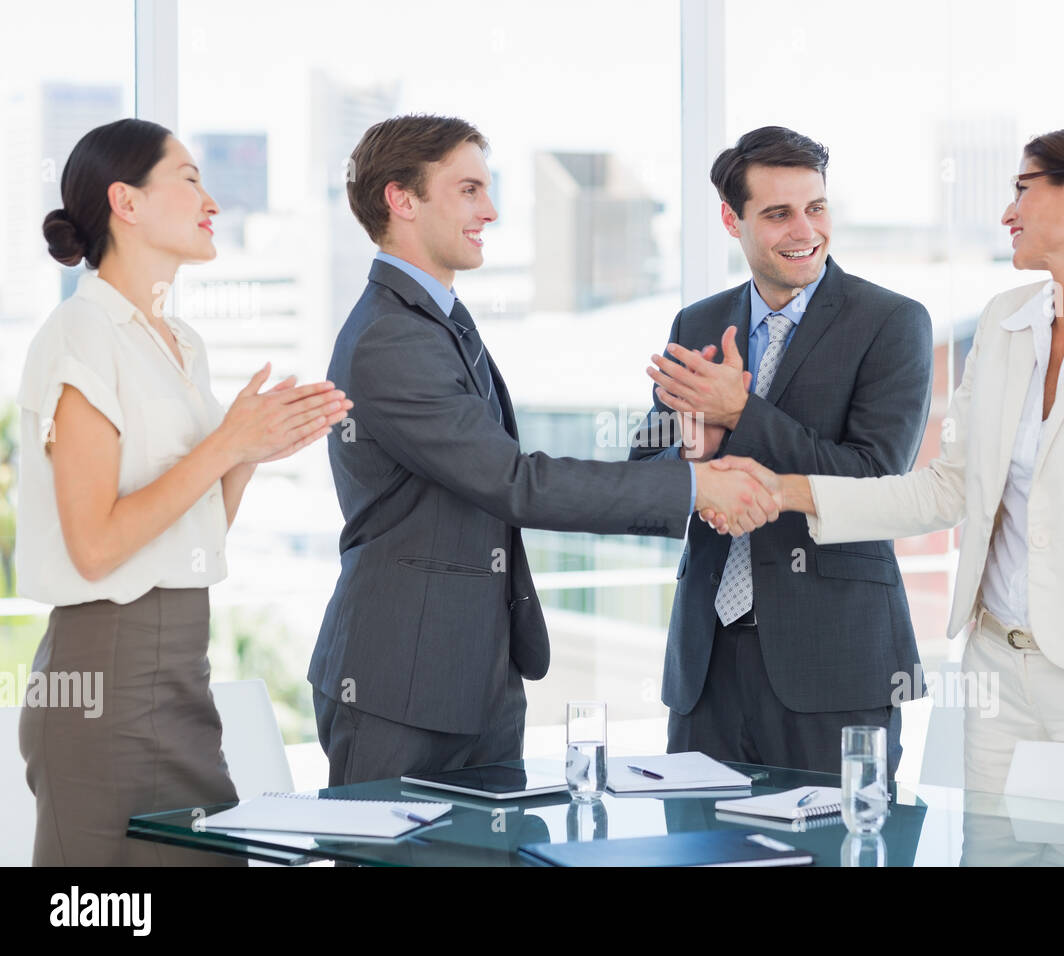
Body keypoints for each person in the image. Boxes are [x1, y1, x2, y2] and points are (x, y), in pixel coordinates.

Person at [714, 123, 1064, 802]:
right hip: (993, 674)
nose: (1008, 212)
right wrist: (781, 491)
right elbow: (945, 489)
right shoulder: (1005, 320)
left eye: (1022, 189)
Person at [309, 114, 779, 787]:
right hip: (401, 683)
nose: (491, 211)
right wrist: (696, 489)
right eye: (470, 190)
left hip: (469, 675)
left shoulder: (430, 319)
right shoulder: (392, 338)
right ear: (401, 199)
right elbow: (514, 482)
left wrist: (685, 456)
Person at [15, 118, 351, 865]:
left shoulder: (180, 343)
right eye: (191, 178)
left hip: (181, 680)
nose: (213, 201)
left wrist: (251, 452)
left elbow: (196, 538)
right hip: (100, 682)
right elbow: (97, 547)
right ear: (126, 203)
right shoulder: (80, 335)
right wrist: (227, 444)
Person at [628, 126, 934, 777]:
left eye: (816, 207)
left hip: (835, 666)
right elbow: (645, 476)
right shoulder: (697, 323)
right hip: (705, 670)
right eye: (777, 213)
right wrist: (695, 450)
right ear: (730, 219)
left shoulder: (891, 323)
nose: (805, 229)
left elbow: (875, 479)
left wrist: (742, 412)